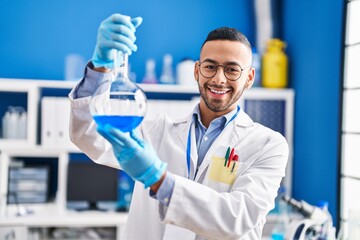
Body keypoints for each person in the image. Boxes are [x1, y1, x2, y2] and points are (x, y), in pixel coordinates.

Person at [69, 13, 289, 240]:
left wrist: (158, 178)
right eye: (210, 67)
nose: (219, 79)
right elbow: (88, 135)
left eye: (232, 70)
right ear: (196, 71)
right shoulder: (157, 130)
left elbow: (237, 218)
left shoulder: (269, 145)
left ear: (250, 78)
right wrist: (100, 67)